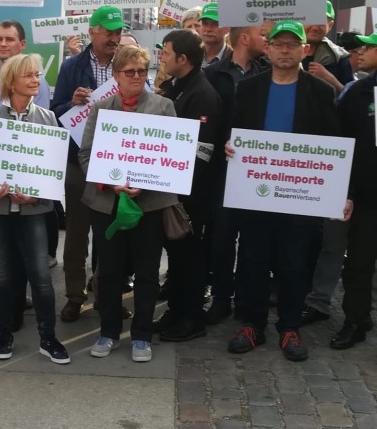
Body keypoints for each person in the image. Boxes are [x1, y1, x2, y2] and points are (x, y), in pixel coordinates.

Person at [225, 20, 344, 362]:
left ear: (304, 50)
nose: (285, 50)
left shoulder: (321, 92)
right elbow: (235, 133)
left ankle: (290, 326)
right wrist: (229, 146)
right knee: (252, 260)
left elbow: (333, 145)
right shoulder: (248, 88)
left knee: (295, 265)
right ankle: (253, 324)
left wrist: (338, 192)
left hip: (300, 196)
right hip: (256, 191)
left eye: (293, 44)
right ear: (270, 48)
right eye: (279, 44)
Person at [79, 45, 179, 363]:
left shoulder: (164, 107)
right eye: (130, 72)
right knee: (107, 272)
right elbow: (86, 155)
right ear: (116, 76)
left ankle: (141, 336)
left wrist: (144, 183)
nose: (136, 77)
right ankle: (108, 331)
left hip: (148, 205)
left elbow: (174, 156)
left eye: (141, 71)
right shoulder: (100, 109)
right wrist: (110, 183)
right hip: (107, 203)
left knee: (148, 272)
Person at [0, 53, 70, 364]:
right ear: (11, 81)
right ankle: (4, 336)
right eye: (28, 75)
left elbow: (54, 172)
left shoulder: (48, 119)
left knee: (41, 276)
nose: (36, 80)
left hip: (33, 213)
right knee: (1, 277)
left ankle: (48, 337)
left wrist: (37, 196)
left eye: (38, 74)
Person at [51, 5, 128, 323]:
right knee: (78, 233)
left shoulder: (126, 63)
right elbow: (56, 110)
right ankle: (74, 295)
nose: (114, 37)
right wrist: (73, 102)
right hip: (79, 162)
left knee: (111, 234)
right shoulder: (72, 66)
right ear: (92, 32)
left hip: (115, 160)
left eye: (118, 31)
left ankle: (108, 295)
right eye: (108, 31)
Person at [156, 30, 222, 342]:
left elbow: (202, 153)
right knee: (178, 258)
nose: (162, 57)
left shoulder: (202, 94)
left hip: (191, 196)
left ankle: (191, 318)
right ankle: (176, 310)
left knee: (192, 258)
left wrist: (177, 187)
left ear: (182, 59)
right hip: (173, 192)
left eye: (166, 52)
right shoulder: (176, 87)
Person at [202, 25, 270, 325]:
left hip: (260, 171)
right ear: (245, 38)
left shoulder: (268, 72)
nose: (267, 40)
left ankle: (248, 296)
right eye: (263, 34)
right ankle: (221, 297)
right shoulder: (213, 74)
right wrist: (221, 146)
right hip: (222, 171)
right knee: (222, 236)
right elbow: (206, 122)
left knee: (256, 237)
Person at [329, 32, 377, 349]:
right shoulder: (358, 93)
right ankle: (356, 320)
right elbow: (340, 143)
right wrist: (344, 191)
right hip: (366, 197)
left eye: (368, 47)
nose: (359, 52)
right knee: (358, 263)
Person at [0, 20, 50, 110]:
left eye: (9, 39)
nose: (3, 44)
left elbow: (40, 121)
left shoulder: (36, 81)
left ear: (22, 44)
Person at [303, 1, 352, 94]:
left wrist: (331, 80)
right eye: (311, 20)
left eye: (321, 22)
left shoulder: (339, 57)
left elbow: (351, 99)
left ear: (330, 25)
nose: (315, 27)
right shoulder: (284, 52)